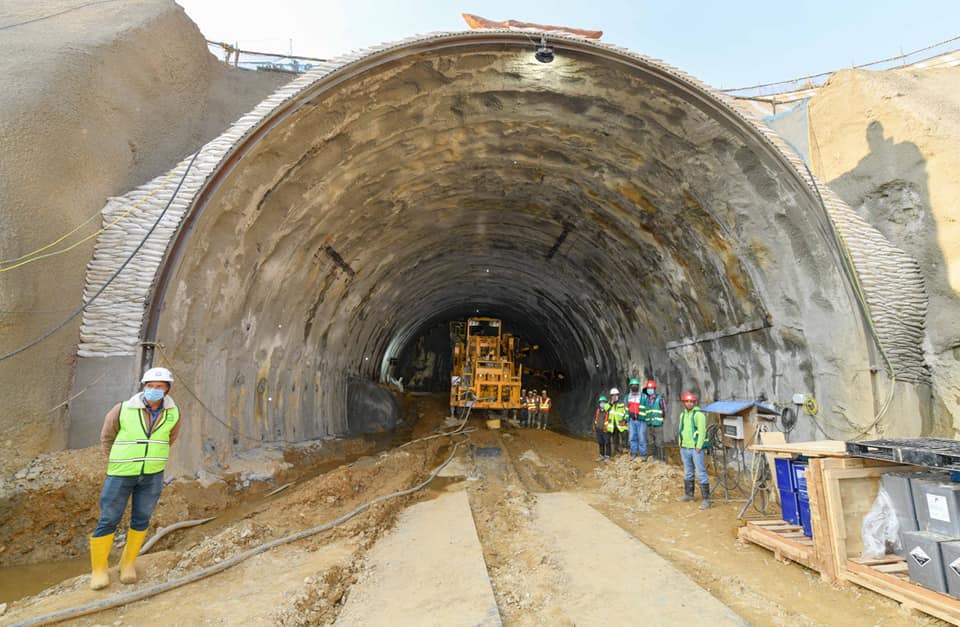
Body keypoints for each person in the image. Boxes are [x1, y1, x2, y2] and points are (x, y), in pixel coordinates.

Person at [89, 367, 182, 590]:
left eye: (159, 387)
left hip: (152, 475)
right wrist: (119, 460)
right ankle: (99, 569)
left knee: (141, 518)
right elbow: (107, 437)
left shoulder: (173, 413)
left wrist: (152, 458)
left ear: (167, 389)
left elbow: (170, 439)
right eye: (150, 386)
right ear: (143, 386)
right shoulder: (123, 409)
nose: (153, 390)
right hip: (121, 474)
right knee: (109, 518)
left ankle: (127, 563)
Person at [676, 391, 711, 509]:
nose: (689, 403)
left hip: (695, 449)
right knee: (688, 471)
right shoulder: (683, 415)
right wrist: (680, 443)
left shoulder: (698, 415)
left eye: (691, 401)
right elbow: (680, 430)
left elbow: (702, 431)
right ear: (684, 403)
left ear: (694, 402)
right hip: (685, 447)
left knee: (701, 472)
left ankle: (706, 500)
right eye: (687, 401)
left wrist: (699, 446)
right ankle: (689, 495)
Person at [640, 379, 667, 463]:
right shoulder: (646, 400)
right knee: (651, 442)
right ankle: (655, 458)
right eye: (648, 388)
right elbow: (645, 411)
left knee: (659, 442)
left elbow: (664, 410)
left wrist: (661, 419)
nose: (650, 390)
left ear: (654, 389)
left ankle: (662, 459)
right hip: (649, 424)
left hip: (657, 424)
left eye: (651, 388)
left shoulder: (660, 399)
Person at [625, 378, 647, 460]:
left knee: (642, 437)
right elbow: (626, 408)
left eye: (636, 385)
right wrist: (627, 419)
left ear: (638, 386)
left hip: (641, 420)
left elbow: (647, 408)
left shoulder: (643, 396)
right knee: (632, 437)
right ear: (630, 386)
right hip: (631, 421)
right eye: (632, 385)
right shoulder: (627, 397)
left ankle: (643, 454)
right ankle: (633, 453)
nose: (634, 386)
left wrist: (646, 418)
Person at [607, 387, 628, 455]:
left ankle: (625, 448)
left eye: (616, 395)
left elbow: (626, 412)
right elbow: (605, 409)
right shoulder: (609, 404)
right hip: (613, 425)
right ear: (611, 396)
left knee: (624, 436)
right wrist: (611, 403)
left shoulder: (622, 403)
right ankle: (617, 451)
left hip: (621, 424)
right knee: (615, 439)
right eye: (613, 395)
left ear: (618, 395)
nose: (614, 396)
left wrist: (625, 420)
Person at [593, 395, 609, 461]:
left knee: (607, 443)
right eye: (601, 402)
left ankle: (607, 456)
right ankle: (601, 455)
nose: (602, 403)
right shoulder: (598, 411)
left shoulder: (608, 411)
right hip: (598, 429)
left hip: (605, 430)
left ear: (606, 403)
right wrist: (594, 425)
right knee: (600, 442)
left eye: (604, 402)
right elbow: (595, 419)